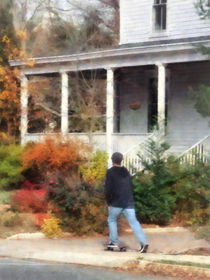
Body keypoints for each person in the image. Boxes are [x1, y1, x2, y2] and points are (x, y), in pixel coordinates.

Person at [105, 152, 148, 253]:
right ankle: (143, 242)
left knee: (111, 220)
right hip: (128, 201)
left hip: (116, 202)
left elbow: (108, 189)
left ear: (112, 160)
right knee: (134, 222)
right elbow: (130, 186)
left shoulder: (110, 172)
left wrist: (108, 202)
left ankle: (114, 242)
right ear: (121, 160)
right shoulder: (126, 171)